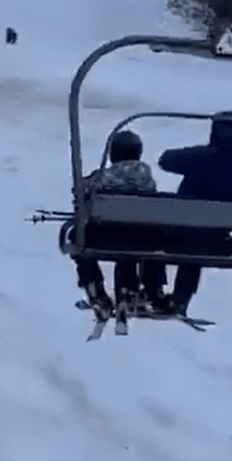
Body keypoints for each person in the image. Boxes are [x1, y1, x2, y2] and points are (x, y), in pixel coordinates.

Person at [158, 110, 232, 320]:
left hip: (183, 238)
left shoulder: (199, 158)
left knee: (182, 240)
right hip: (220, 241)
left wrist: (200, 155)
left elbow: (165, 160)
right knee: (215, 243)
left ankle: (176, 297)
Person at [74, 128, 170, 321]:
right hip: (142, 236)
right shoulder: (146, 175)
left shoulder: (107, 175)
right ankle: (139, 290)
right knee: (141, 238)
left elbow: (82, 191)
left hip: (109, 235)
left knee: (78, 237)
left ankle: (95, 289)